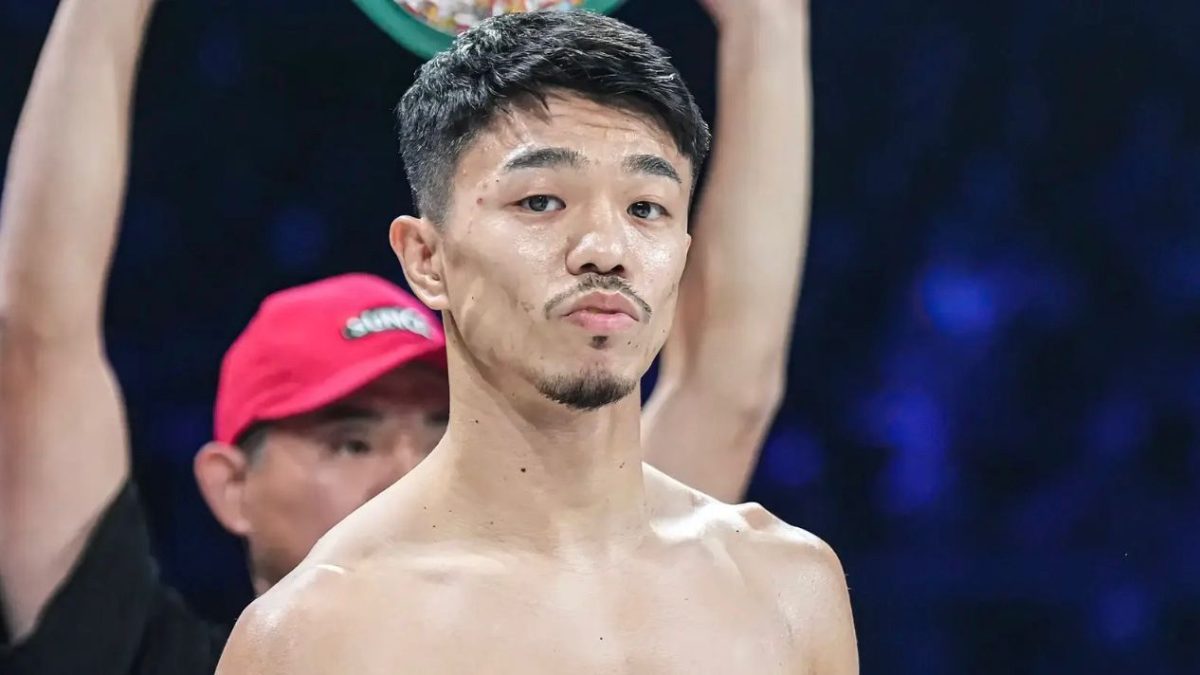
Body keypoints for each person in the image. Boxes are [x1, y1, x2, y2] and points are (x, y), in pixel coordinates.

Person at [0, 0, 815, 672]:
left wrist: (768, 22)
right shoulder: (152, 651)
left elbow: (728, 388)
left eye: (435, 428)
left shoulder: (654, 589)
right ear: (230, 484)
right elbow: (38, 341)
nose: (405, 468)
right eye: (349, 440)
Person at [218, 5, 855, 675]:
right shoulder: (315, 636)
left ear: (684, 251)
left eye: (646, 208)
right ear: (426, 259)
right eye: (541, 202)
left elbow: (731, 386)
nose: (607, 248)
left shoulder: (787, 588)